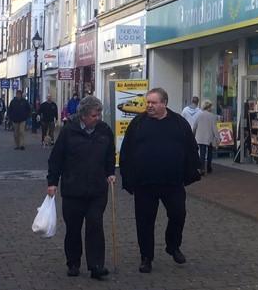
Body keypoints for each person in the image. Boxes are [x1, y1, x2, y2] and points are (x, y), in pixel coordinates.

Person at [119, 87, 201, 274]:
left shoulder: (179, 123)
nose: (149, 106)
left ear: (164, 103)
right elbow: (126, 152)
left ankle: (173, 245)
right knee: (144, 221)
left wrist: (192, 171)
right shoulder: (138, 123)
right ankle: (146, 257)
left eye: (153, 103)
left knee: (178, 214)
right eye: (147, 102)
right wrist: (128, 177)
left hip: (172, 182)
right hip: (144, 183)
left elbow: (191, 148)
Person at [46, 96, 115, 280]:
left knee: (95, 225)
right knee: (73, 228)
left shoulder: (104, 130)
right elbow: (56, 159)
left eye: (99, 114)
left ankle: (96, 265)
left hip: (97, 190)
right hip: (73, 190)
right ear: (83, 116)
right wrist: (52, 182)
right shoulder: (69, 131)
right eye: (94, 115)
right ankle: (73, 262)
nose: (98, 118)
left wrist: (110, 172)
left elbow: (110, 154)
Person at [191, 100, 219, 175]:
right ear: (209, 107)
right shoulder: (212, 116)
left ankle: (202, 169)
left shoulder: (199, 115)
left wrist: (193, 135)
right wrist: (217, 138)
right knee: (210, 153)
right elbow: (214, 129)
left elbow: (194, 127)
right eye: (211, 107)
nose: (212, 108)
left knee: (202, 153)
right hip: (209, 137)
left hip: (200, 137)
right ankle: (209, 167)